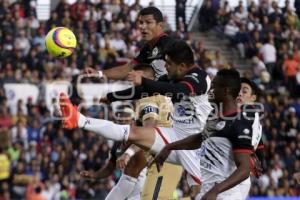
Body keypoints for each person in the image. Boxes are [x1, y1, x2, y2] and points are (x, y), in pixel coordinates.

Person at [59, 40, 212, 198]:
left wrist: (144, 81)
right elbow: (146, 89)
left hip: (197, 145)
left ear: (181, 66)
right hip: (175, 137)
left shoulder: (199, 78)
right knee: (133, 133)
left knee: (203, 194)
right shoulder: (174, 76)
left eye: (169, 63)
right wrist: (112, 97)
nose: (165, 67)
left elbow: (180, 90)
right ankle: (79, 120)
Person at [151, 69, 254, 200]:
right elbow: (201, 138)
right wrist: (169, 147)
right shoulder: (214, 115)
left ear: (226, 91)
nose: (210, 91)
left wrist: (216, 191)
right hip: (208, 191)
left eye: (214, 86)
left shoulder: (239, 122)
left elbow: (245, 169)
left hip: (226, 195)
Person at [86, 6, 173, 80]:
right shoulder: (146, 48)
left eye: (148, 22)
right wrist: (99, 73)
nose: (142, 26)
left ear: (160, 26)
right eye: (141, 22)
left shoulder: (171, 45)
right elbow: (127, 69)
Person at [236, 77, 265, 199]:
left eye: (244, 91)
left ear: (253, 98)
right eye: (238, 90)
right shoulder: (254, 116)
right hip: (241, 174)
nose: (239, 93)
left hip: (235, 173)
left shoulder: (247, 111)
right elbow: (260, 148)